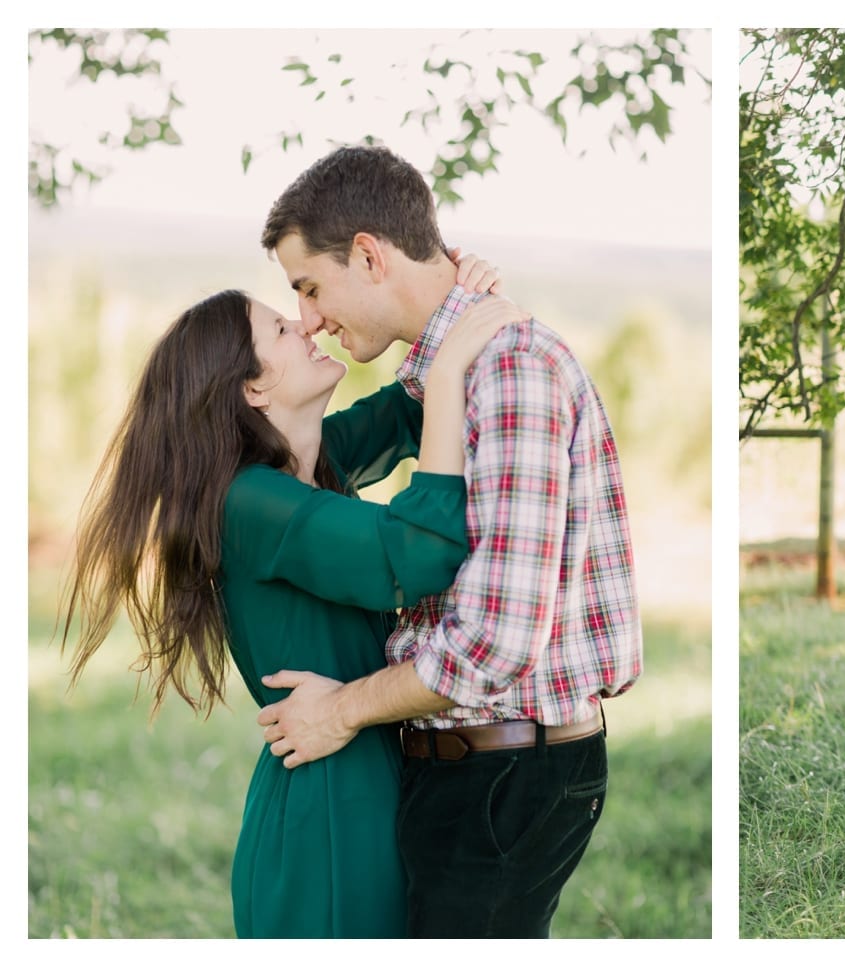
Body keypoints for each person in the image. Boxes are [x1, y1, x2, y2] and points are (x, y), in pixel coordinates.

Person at [59, 257, 529, 937]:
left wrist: (462, 305)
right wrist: (452, 366)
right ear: (252, 386)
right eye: (281, 328)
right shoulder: (250, 500)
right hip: (329, 813)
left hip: (359, 777)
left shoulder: (308, 465)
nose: (307, 325)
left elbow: (403, 414)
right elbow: (414, 553)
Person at [252, 144, 644, 939]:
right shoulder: (457, 374)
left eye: (310, 287)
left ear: (368, 254)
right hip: (470, 762)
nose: (312, 318)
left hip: (503, 771)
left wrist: (342, 712)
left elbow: (494, 644)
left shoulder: (509, 371)